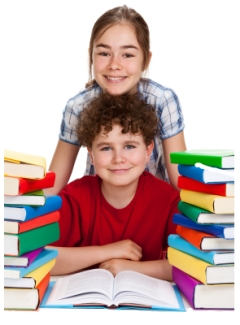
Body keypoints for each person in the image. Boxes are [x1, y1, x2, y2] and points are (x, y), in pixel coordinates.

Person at [46, 5, 186, 195]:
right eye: (104, 53)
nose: (114, 65)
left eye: (127, 55)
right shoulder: (78, 106)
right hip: (100, 207)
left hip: (154, 209)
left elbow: (180, 180)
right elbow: (53, 185)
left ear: (145, 60)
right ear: (91, 56)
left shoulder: (162, 100)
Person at [49, 92, 180, 280]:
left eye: (129, 146)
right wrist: (107, 252)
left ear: (148, 151)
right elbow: (38, 258)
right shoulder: (75, 197)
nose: (118, 159)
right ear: (91, 155)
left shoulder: (167, 200)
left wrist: (133, 269)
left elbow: (190, 265)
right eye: (106, 148)